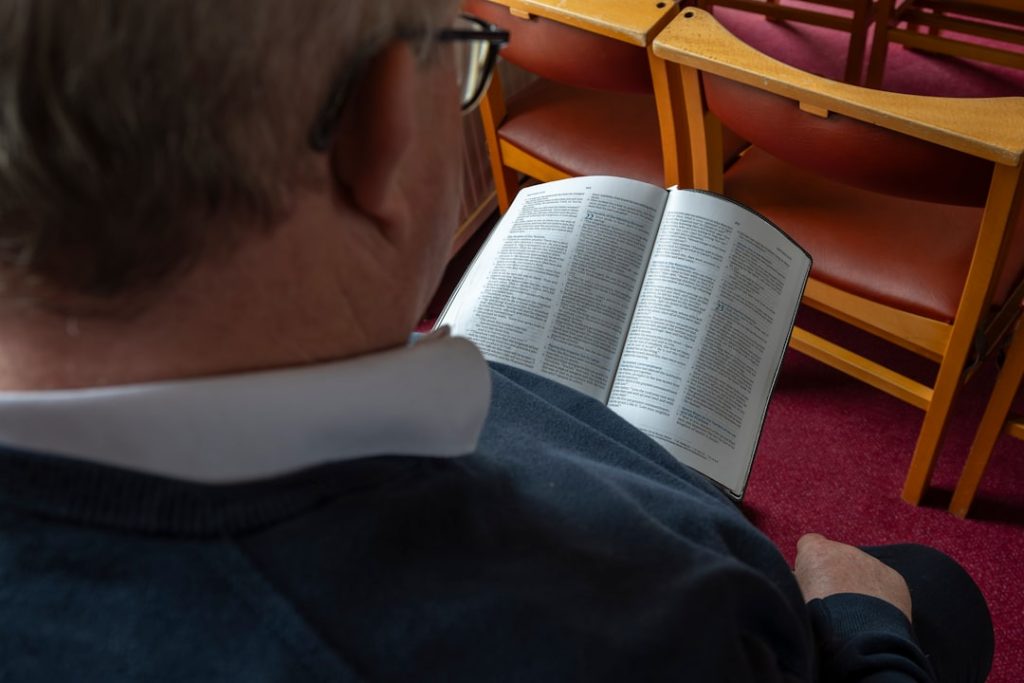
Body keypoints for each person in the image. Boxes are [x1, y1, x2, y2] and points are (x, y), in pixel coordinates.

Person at [0, 1, 993, 681]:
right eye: (468, 50)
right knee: (936, 588)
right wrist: (864, 626)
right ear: (380, 125)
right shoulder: (641, 633)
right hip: (740, 580)